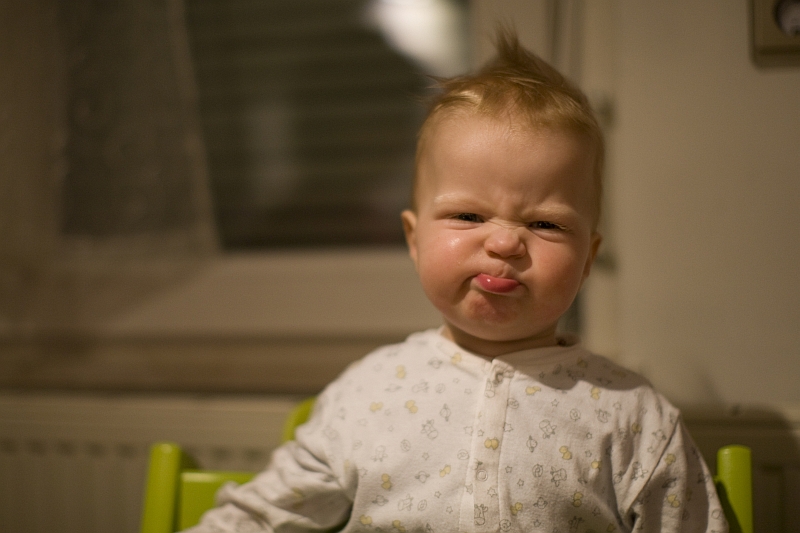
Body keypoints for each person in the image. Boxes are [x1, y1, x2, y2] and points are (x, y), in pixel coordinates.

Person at [186, 30, 728, 533]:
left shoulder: (633, 414)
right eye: (469, 217)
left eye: (545, 224)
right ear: (414, 238)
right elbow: (260, 519)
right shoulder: (368, 393)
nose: (504, 243)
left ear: (588, 258)